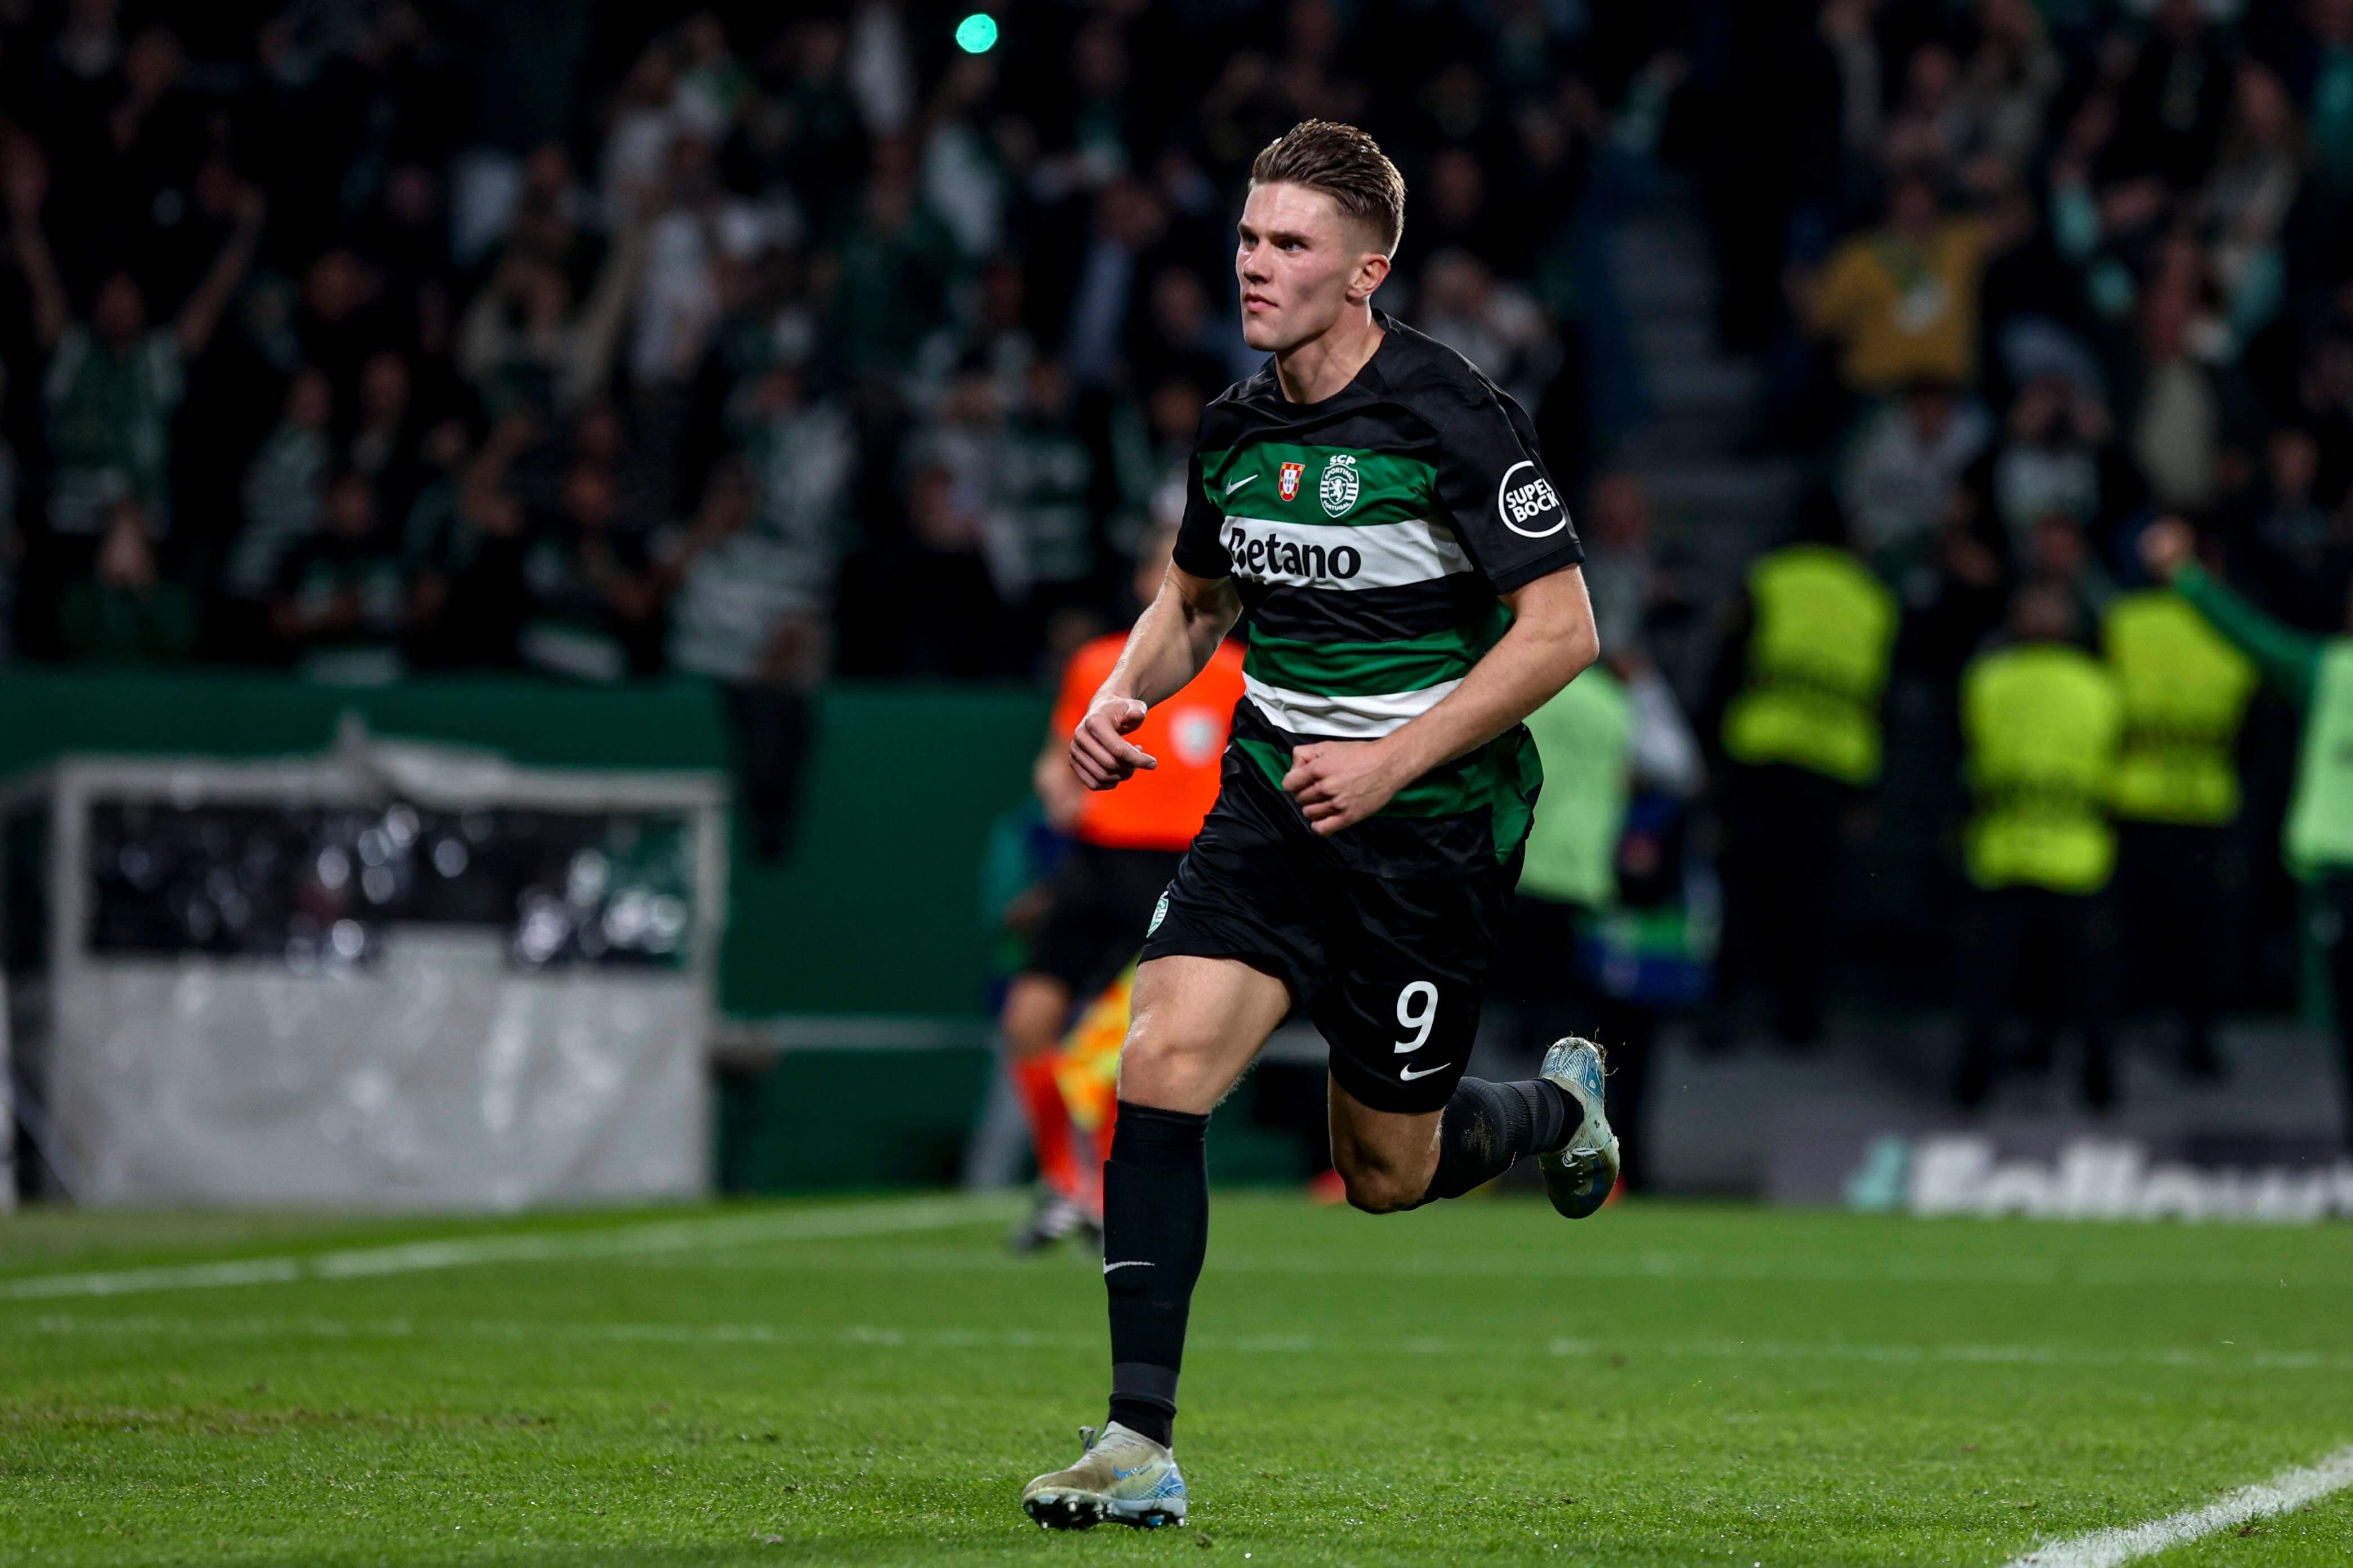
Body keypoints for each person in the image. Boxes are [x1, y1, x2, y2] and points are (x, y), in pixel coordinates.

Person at [1019, 120, 1607, 1531]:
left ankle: (1554, 1108)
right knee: (1158, 1058)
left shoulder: (1450, 414)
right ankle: (1135, 1440)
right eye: (1247, 237)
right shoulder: (1235, 426)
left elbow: (1563, 630)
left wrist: (1396, 757)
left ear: (1364, 272)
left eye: (1290, 244)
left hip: (1428, 832)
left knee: (1386, 1170)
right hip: (1272, 807)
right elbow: (1196, 599)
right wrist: (1118, 695)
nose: (1255, 264)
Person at [1002, 524, 1246, 1252]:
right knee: (1027, 1021)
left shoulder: (1241, 673)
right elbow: (1055, 759)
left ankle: (1109, 1196)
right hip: (1094, 861)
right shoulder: (1097, 664)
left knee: (1125, 1048)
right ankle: (1063, 1184)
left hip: (1181, 869)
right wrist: (1057, 788)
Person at [2143, 517, 2353, 1150]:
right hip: (2338, 873)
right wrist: (2188, 580)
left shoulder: (2326, 668)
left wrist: (2185, 576)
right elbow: (2250, 637)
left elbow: (2252, 638)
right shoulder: (2331, 670)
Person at [1711, 519, 1899, 1046]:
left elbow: (1729, 666)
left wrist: (1712, 751)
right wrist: (1870, 793)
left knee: (1744, 891)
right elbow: (1884, 699)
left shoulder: (1771, 576)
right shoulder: (1876, 600)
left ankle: (1727, 1013)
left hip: (1759, 754)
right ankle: (1802, 1018)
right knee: (1813, 900)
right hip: (1834, 767)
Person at [1953, 583, 2124, 1110]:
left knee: (1988, 984)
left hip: (2002, 850)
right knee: (2089, 986)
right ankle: (2100, 1086)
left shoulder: (1987, 680)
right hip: (2078, 856)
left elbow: (1969, 752)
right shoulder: (2101, 687)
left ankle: (1970, 1087)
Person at [2100, 583, 2256, 1079]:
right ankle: (2198, 1044)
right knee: (2202, 940)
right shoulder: (2233, 625)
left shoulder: (2126, 620)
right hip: (2202, 805)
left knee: (2120, 936)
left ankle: (2101, 1053)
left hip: (2136, 801)